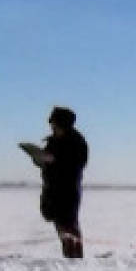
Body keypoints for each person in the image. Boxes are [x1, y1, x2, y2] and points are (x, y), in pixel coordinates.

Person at [35, 106, 88, 258]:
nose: (52, 126)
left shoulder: (76, 142)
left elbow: (76, 165)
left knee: (69, 227)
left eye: (54, 123)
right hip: (52, 190)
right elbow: (47, 162)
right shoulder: (54, 141)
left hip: (67, 191)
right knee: (61, 227)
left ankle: (75, 261)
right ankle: (70, 258)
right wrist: (40, 159)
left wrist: (54, 161)